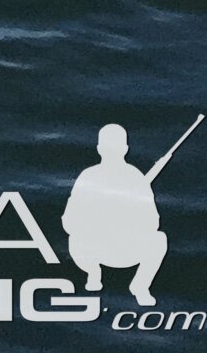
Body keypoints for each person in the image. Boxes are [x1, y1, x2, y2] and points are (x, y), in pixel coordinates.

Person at [62, 124, 171, 306]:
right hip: (99, 248)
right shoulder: (131, 177)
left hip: (114, 250)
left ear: (99, 149)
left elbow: (68, 221)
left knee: (159, 239)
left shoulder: (91, 176)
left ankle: (138, 286)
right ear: (125, 149)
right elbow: (153, 222)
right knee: (159, 240)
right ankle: (94, 274)